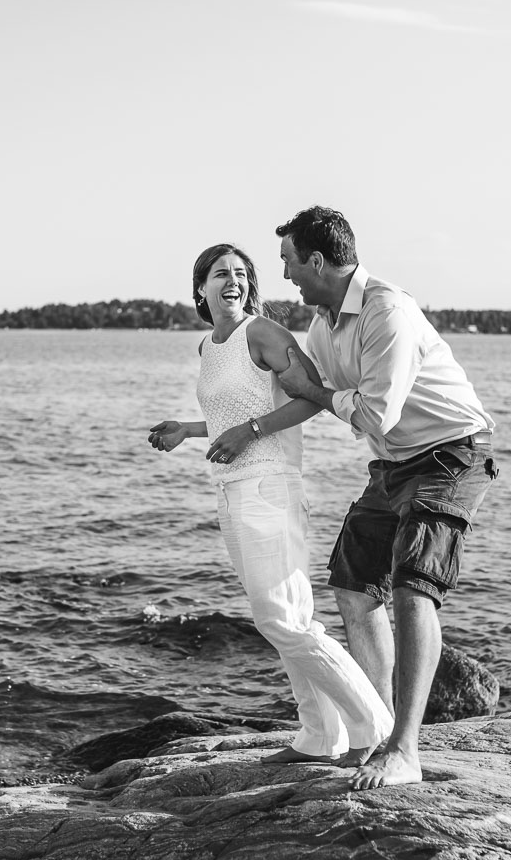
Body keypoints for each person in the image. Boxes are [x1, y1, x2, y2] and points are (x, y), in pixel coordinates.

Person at [271, 206, 497, 791]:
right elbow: (304, 391)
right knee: (351, 582)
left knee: (411, 587)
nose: (288, 276)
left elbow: (370, 412)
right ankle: (377, 729)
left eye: (290, 263)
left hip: (450, 454)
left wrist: (315, 391)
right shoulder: (323, 326)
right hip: (394, 463)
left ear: (317, 260)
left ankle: (406, 750)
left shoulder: (386, 311)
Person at [148, 243, 393, 768]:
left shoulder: (262, 333)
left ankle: (372, 726)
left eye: (241, 273)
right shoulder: (208, 346)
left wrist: (250, 431)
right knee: (288, 618)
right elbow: (234, 415)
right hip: (231, 490)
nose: (231, 281)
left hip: (270, 488)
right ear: (201, 288)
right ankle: (317, 736)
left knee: (282, 620)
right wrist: (187, 431)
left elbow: (313, 396)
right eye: (220, 274)